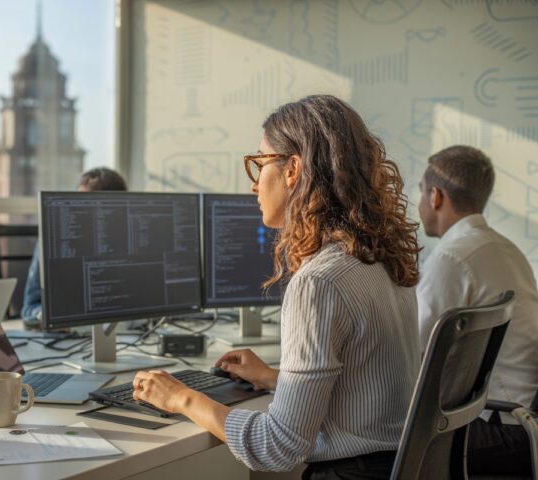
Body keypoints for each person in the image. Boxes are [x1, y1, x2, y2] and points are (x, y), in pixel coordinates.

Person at [131, 95, 422, 478]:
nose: (254, 186)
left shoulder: (320, 282)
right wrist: (273, 378)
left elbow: (278, 447)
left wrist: (183, 398)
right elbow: (362, 388)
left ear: (293, 170)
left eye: (260, 163)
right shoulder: (381, 258)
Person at [416, 145, 538, 476]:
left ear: (436, 196)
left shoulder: (450, 258)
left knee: (371, 440)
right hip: (523, 424)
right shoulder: (507, 250)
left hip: (498, 428)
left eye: (420, 193)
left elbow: (413, 355)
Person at [21, 167, 128, 326]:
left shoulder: (132, 242)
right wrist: (47, 316)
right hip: (71, 337)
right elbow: (30, 307)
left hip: (124, 334)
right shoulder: (52, 239)